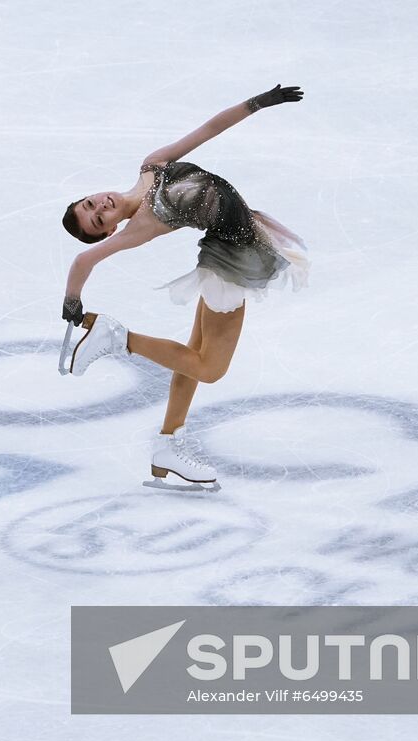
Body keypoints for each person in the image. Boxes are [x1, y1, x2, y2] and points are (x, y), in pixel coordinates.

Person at [59, 84, 311, 492]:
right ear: (110, 230)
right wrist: (73, 301)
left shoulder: (152, 165)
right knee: (209, 368)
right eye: (98, 221)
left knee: (192, 357)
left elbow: (208, 129)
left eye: (90, 204)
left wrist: (257, 104)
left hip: (235, 246)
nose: (101, 208)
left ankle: (167, 447)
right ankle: (117, 337)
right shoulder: (139, 227)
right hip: (231, 264)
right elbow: (83, 260)